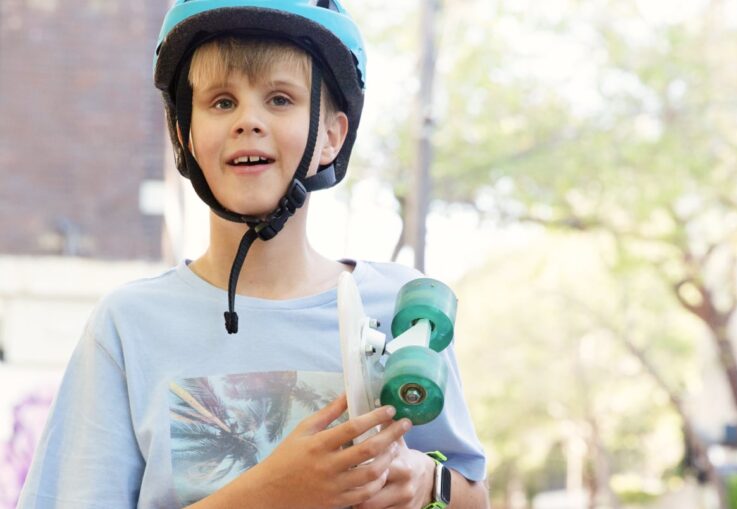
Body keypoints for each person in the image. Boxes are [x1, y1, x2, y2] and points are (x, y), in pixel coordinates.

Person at [18, 1, 488, 508]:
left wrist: (425, 482)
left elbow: (472, 496)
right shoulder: (129, 327)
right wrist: (268, 494)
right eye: (221, 102)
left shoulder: (401, 310)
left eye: (281, 99)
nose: (249, 120)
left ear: (331, 135)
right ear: (184, 133)